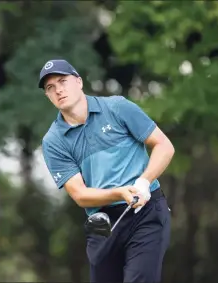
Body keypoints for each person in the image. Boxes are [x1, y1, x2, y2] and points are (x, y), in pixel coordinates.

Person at [39, 59, 175, 283]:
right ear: (47, 96)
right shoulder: (53, 141)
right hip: (103, 223)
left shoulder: (117, 107)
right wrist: (120, 192)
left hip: (146, 211)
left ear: (79, 82)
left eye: (62, 81)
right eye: (50, 88)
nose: (58, 90)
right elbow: (81, 195)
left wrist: (144, 181)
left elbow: (164, 145)